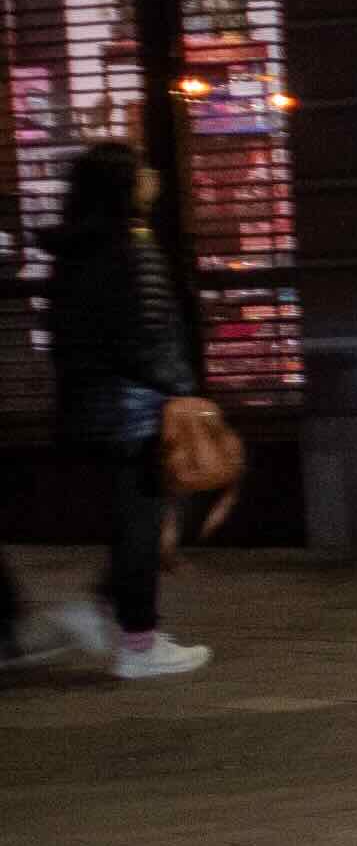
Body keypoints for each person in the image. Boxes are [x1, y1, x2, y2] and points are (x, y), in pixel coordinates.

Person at [36, 145, 202, 681]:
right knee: (146, 520)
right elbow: (149, 335)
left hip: (91, 404)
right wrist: (185, 391)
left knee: (142, 519)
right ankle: (138, 643)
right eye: (143, 170)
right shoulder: (132, 245)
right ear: (124, 187)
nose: (154, 177)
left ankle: (109, 611)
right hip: (135, 407)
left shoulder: (75, 249)